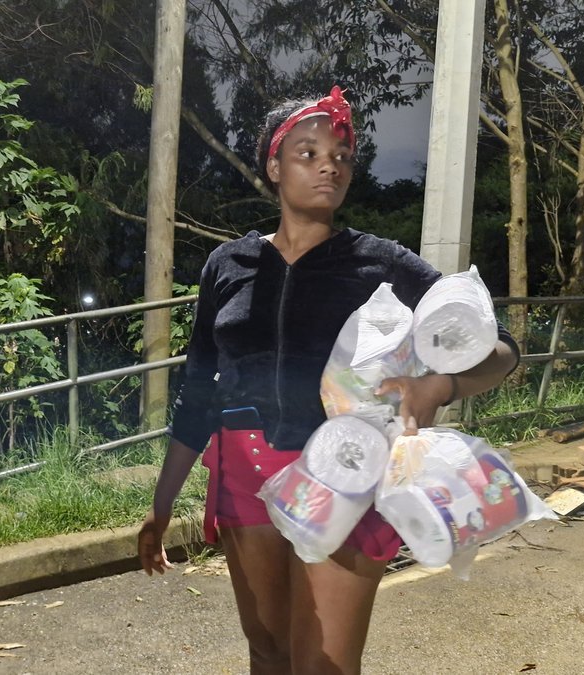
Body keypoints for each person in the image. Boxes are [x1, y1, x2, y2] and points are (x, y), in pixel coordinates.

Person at [137, 87, 520, 674]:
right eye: (309, 154)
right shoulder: (228, 265)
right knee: (269, 653)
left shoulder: (379, 263)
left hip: (347, 471)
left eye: (342, 156)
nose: (329, 166)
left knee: (325, 665)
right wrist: (162, 505)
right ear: (274, 166)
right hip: (244, 468)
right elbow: (198, 390)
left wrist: (438, 387)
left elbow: (501, 348)